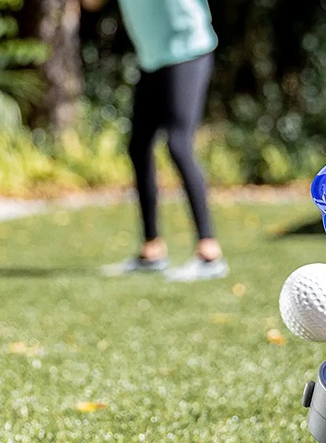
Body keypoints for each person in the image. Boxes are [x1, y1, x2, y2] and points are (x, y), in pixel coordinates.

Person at [83, 0, 228, 281]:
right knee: (139, 146)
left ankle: (209, 252)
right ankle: (152, 249)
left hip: (188, 50)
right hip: (153, 57)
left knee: (178, 144)